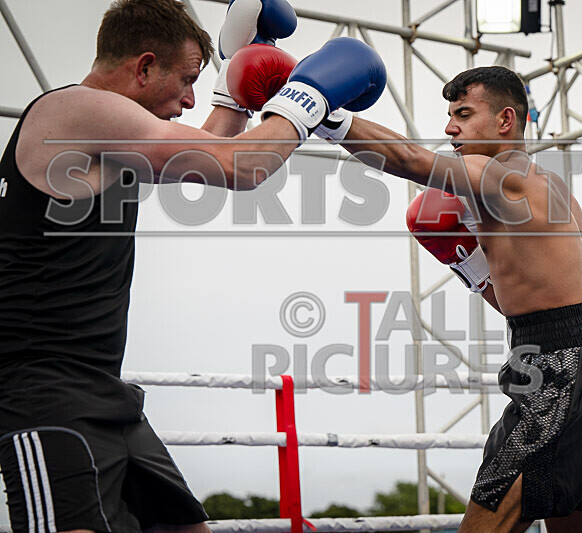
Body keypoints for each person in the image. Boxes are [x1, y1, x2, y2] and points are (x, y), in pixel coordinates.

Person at [0, 0, 386, 531]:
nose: (189, 99)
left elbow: (205, 152)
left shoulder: (107, 138)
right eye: (185, 81)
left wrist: (238, 82)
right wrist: (307, 98)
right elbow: (241, 167)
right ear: (143, 66)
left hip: (102, 392)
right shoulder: (73, 112)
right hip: (45, 393)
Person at [315, 66, 582, 533]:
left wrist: (324, 116)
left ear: (506, 120)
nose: (450, 128)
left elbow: (407, 158)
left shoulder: (498, 176)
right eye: (450, 115)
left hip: (562, 368)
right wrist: (469, 266)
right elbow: (530, 302)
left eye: (464, 115)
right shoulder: (548, 186)